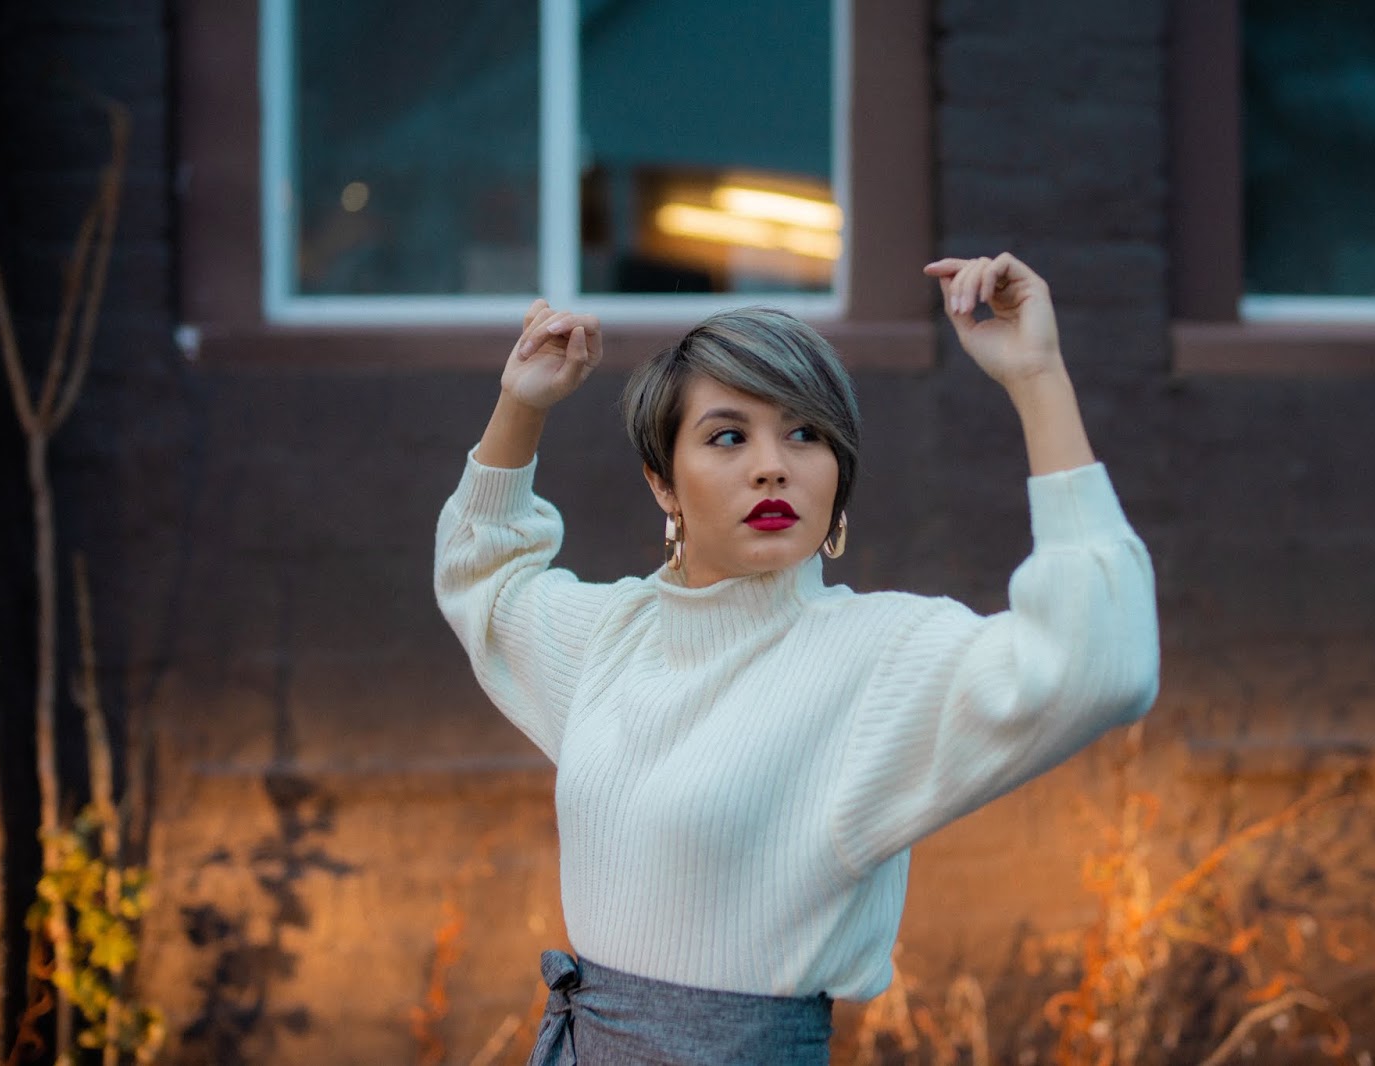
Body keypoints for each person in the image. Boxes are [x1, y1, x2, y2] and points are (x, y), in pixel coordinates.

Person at [434, 253, 1160, 1064]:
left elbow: (1102, 661)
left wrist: (1038, 377)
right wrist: (521, 405)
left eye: (805, 434)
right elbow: (481, 577)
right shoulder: (615, 636)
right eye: (728, 436)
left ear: (838, 476)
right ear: (663, 483)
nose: (772, 464)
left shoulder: (875, 656)